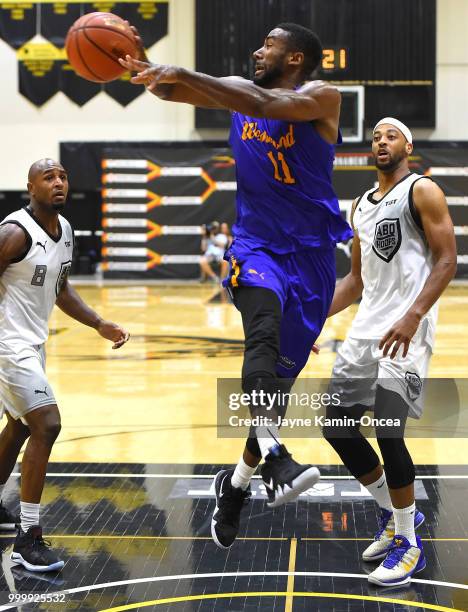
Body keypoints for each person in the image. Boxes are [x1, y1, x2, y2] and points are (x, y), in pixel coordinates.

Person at [121, 23, 352, 548]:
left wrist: (183, 73)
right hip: (256, 245)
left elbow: (265, 104)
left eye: (267, 44)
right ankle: (276, 455)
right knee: (261, 330)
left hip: (312, 259)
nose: (256, 49)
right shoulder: (237, 93)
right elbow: (175, 88)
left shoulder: (322, 96)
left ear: (294, 57)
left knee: (273, 394)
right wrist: (142, 67)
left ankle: (236, 487)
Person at [324, 118, 457, 586]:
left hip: (408, 328)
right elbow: (355, 281)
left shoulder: (423, 190)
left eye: (391, 135)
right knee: (335, 426)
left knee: (387, 426)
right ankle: (395, 516)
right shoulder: (359, 204)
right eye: (377, 136)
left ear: (408, 145)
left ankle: (409, 545)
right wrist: (312, 316)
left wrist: (413, 315)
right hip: (367, 328)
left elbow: (447, 259)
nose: (382, 141)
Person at [0, 158, 130, 571]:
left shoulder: (66, 230)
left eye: (62, 177)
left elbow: (60, 288)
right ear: (30, 187)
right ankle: (28, 538)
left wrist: (98, 323)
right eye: (48, 178)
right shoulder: (14, 233)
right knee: (47, 424)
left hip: (32, 343)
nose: (58, 183)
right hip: (7, 345)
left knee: (21, 424)